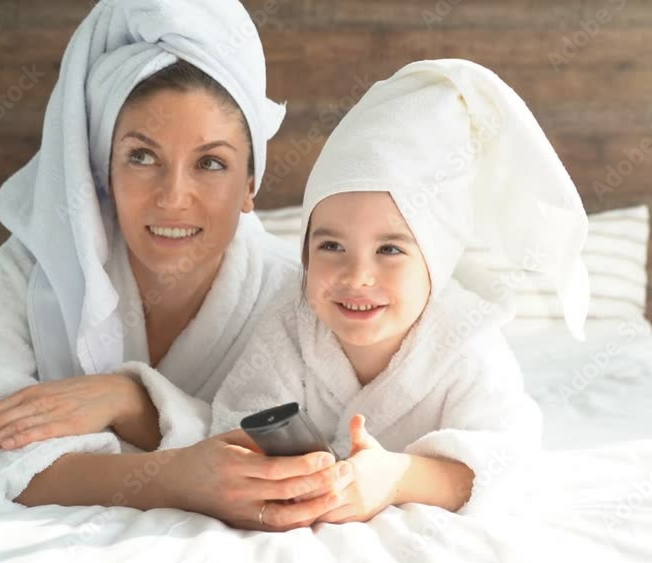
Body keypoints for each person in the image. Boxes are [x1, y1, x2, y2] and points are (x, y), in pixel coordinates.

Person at [0, 0, 352, 532]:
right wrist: (170, 476)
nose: (173, 197)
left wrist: (130, 402)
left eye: (211, 163)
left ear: (250, 187)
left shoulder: (296, 297)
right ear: (103, 171)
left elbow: (317, 460)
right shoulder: (36, 269)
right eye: (142, 157)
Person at [208, 59, 592, 525]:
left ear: (437, 261)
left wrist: (397, 479)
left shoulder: (467, 342)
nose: (357, 275)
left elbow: (505, 463)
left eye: (390, 248)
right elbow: (239, 419)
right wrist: (288, 472)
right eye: (330, 245)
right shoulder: (291, 324)